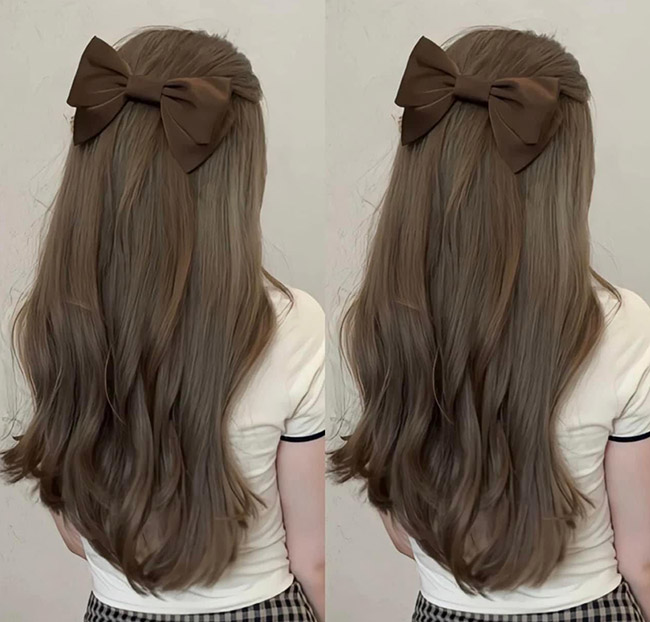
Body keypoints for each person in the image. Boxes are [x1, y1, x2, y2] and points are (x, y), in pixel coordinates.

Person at [1, 27, 325, 622]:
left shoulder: (52, 318)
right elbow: (313, 557)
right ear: (240, 175)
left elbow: (77, 534)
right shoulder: (294, 323)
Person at [330, 27, 650, 622]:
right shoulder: (624, 326)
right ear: (568, 175)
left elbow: (404, 535)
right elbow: (642, 558)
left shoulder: (381, 318)